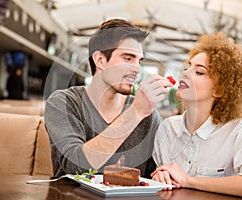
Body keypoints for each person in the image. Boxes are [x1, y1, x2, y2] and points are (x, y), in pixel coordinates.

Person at [44, 19, 173, 178]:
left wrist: (162, 174)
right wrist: (136, 112)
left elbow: (157, 173)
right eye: (128, 58)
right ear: (100, 60)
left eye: (139, 61)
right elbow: (75, 166)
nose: (137, 69)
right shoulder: (63, 103)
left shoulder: (150, 115)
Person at [151, 32, 242, 199]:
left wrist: (189, 180)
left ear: (220, 90)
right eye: (188, 67)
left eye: (199, 72)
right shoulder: (166, 128)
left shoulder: (238, 130)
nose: (185, 73)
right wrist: (159, 178)